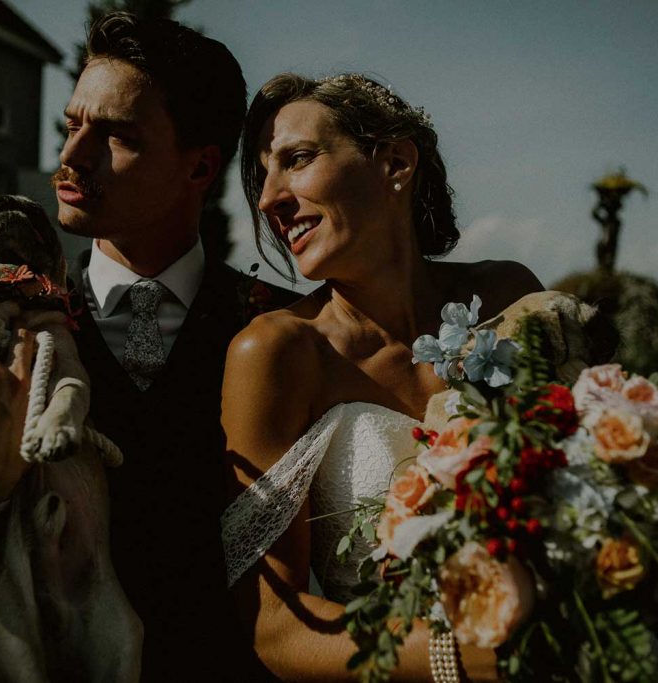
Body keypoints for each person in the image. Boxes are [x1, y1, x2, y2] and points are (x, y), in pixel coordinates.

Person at [0, 12, 290, 682]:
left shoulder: (281, 329)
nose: (72, 157)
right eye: (72, 125)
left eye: (117, 136)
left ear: (200, 166)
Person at [220, 73, 544, 682]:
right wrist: (460, 656)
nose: (267, 198)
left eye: (297, 159)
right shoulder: (275, 352)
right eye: (263, 174)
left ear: (395, 162)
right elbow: (275, 626)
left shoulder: (510, 298)